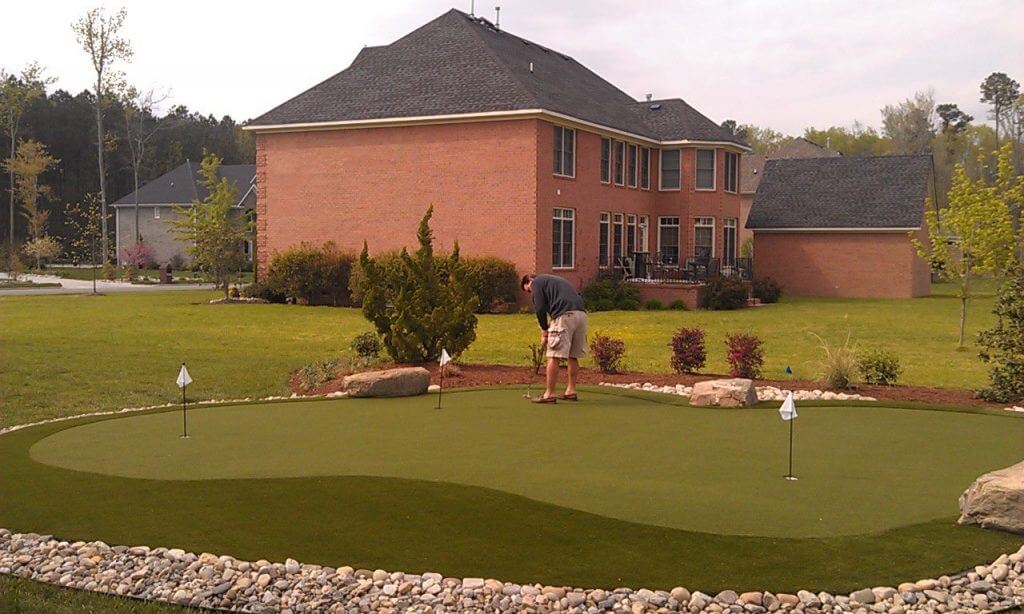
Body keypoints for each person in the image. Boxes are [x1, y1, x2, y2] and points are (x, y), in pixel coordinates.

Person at [521, 273, 589, 403]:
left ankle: (549, 394)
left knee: (553, 355)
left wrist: (544, 331)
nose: (531, 293)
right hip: (581, 315)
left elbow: (540, 309)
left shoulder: (536, 283)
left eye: (529, 291)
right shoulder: (554, 280)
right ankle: (571, 391)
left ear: (528, 282)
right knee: (573, 355)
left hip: (564, 316)